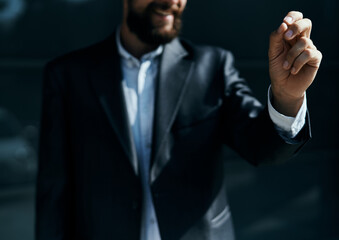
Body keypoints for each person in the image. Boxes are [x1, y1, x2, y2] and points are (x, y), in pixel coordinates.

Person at [35, 0, 322, 239]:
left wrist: (287, 96)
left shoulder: (213, 66)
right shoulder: (68, 76)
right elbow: (54, 193)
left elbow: (261, 147)